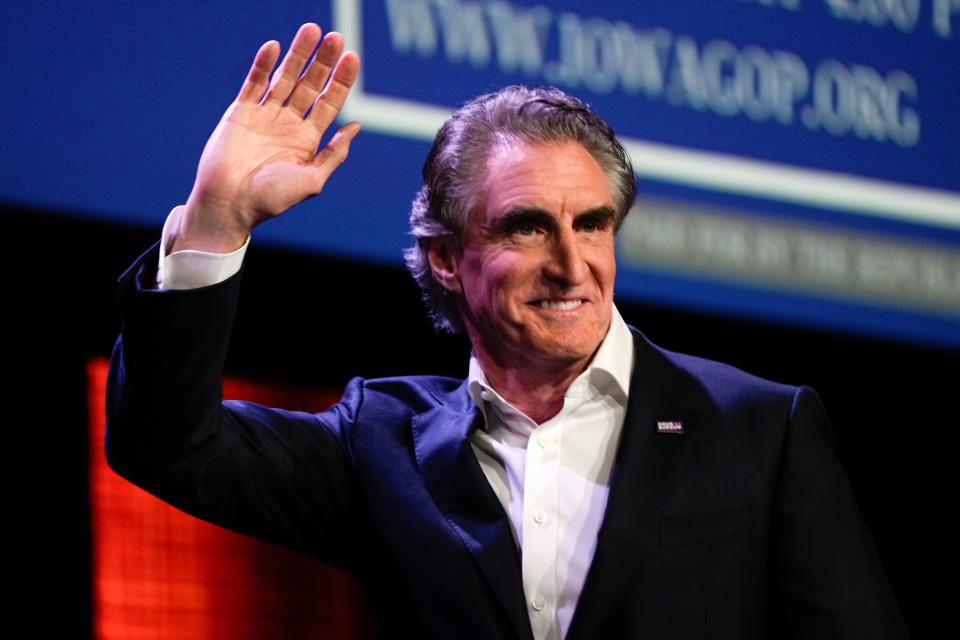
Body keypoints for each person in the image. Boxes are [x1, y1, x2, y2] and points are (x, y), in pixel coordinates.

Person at [105, 22, 909, 639]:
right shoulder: (383, 444)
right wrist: (216, 217)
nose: (572, 264)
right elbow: (165, 444)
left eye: (593, 225)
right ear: (450, 258)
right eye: (528, 228)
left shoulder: (759, 427)